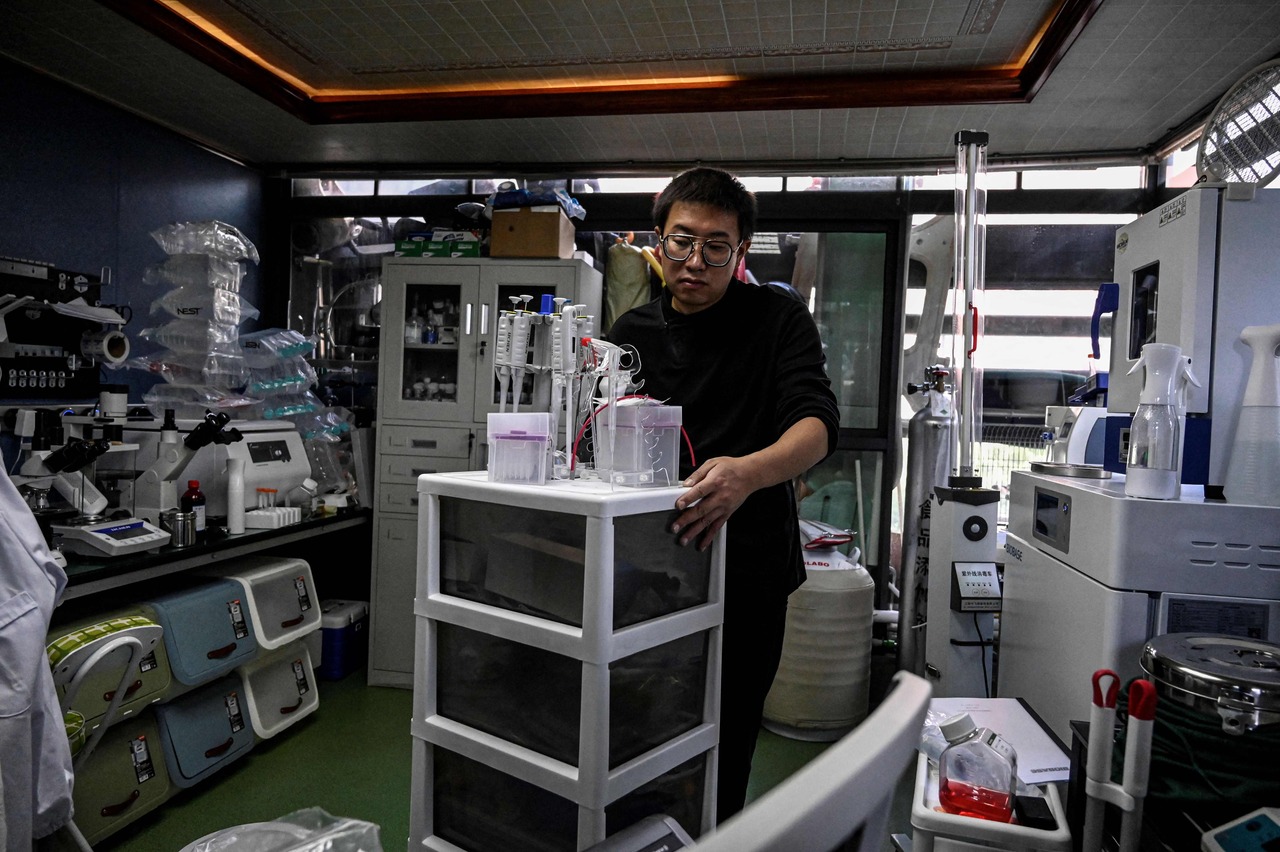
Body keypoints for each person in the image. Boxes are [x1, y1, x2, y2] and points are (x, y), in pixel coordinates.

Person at [606, 167, 839, 822]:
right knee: (638, 727)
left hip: (748, 573)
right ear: (658, 241)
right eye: (682, 241)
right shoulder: (633, 334)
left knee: (724, 738)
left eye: (716, 247)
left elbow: (817, 425)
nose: (695, 261)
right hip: (648, 572)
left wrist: (749, 472)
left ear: (740, 252)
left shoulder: (776, 317)